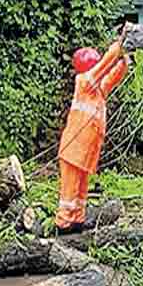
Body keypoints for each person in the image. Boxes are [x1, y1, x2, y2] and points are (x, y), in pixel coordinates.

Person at [55, 33, 129, 232]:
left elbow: (113, 76)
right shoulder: (84, 82)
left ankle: (77, 221)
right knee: (70, 191)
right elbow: (104, 66)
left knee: (81, 189)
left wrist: (124, 60)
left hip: (85, 152)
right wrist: (118, 46)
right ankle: (63, 223)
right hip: (74, 150)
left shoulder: (97, 90)